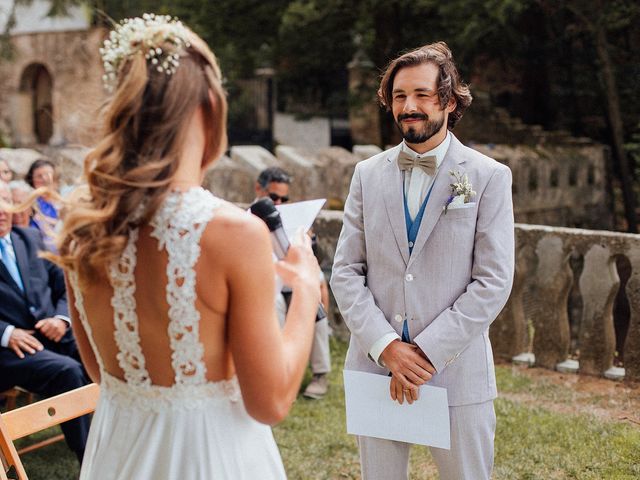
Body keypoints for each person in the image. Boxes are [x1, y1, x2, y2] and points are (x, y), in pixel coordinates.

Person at [51, 14, 321, 479]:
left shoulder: (81, 225)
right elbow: (272, 400)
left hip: (118, 452)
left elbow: (102, 373)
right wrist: (308, 290)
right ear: (210, 105)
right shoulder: (235, 234)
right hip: (210, 457)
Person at [331, 42, 514, 480]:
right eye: (398, 96)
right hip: (375, 367)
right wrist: (387, 347)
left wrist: (425, 354)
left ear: (449, 101)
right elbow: (345, 270)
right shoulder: (367, 174)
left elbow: (493, 280)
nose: (408, 106)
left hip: (456, 373)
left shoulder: (488, 177)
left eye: (421, 95)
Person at [0, 181, 90, 463]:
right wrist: (6, 332)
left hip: (53, 333)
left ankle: (117, 439)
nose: (2, 210)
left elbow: (65, 285)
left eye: (4, 200)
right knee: (68, 372)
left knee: (98, 356)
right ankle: (89, 457)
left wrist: (62, 318)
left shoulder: (29, 237)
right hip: (9, 349)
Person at [255, 167, 332, 399]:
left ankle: (320, 374)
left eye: (284, 199)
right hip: (265, 283)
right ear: (259, 189)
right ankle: (277, 370)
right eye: (273, 197)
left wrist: (308, 241)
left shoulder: (294, 220)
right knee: (275, 302)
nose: (279, 202)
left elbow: (314, 268)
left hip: (293, 278)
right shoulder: (247, 218)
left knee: (314, 295)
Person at [25, 158, 59, 250]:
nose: (45, 179)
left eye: (48, 175)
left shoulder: (64, 199)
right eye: (39, 176)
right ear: (32, 179)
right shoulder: (30, 203)